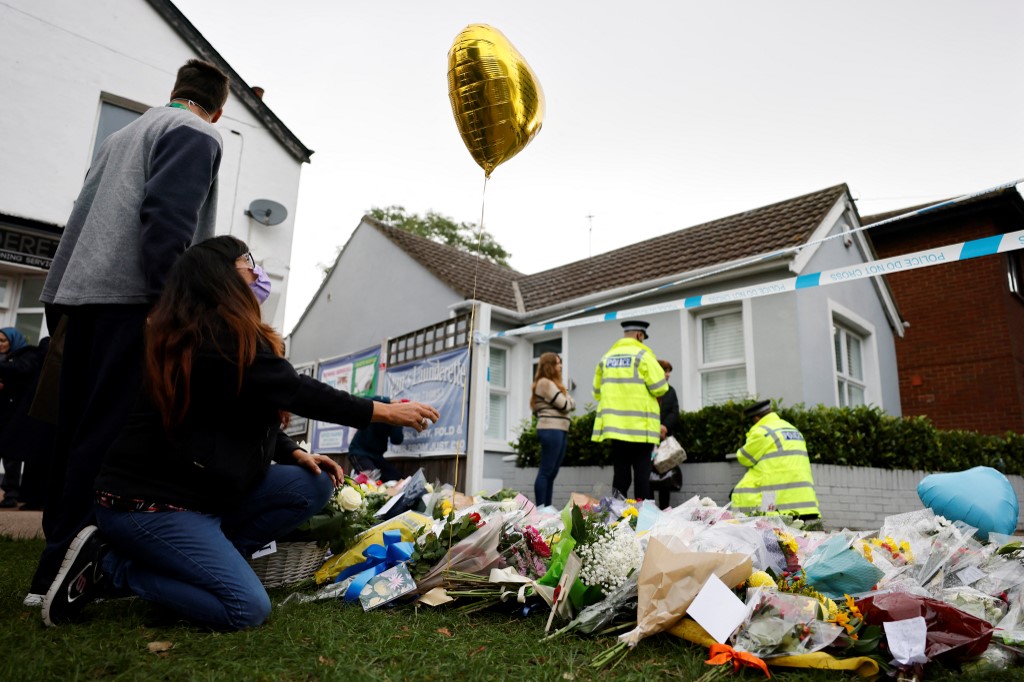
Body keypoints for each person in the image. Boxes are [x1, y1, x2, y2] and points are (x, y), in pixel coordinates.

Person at [41, 236, 439, 630]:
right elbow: (295, 391)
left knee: (310, 484)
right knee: (246, 609)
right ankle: (111, 568)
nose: (256, 269)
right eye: (248, 260)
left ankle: (201, 569)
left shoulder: (216, 334)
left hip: (203, 492)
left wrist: (291, 452)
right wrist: (384, 411)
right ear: (221, 277)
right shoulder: (214, 338)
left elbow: (248, 411)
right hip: (153, 504)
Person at [27, 59, 230, 606]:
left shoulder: (123, 135)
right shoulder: (196, 132)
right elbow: (166, 218)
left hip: (79, 298)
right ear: (219, 108)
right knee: (113, 441)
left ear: (175, 92)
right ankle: (70, 573)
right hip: (132, 303)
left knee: (74, 435)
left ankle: (52, 566)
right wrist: (169, 305)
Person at [591, 320, 667, 500]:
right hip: (641, 428)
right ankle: (643, 519)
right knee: (642, 475)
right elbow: (660, 388)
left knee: (621, 475)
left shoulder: (605, 359)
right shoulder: (643, 356)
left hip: (615, 429)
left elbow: (596, 392)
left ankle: (617, 517)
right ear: (640, 335)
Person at [730, 400, 820, 519]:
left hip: (776, 500)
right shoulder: (793, 429)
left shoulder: (762, 432)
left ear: (757, 418)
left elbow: (744, 458)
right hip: (804, 501)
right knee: (796, 537)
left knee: (771, 534)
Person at [0, 328, 39, 508]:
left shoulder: (27, 355)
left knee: (11, 456)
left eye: (3, 340)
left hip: (16, 415)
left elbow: (20, 370)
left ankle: (12, 493)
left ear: (13, 341)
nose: (0, 345)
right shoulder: (5, 359)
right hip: (3, 412)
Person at [531, 352, 575, 507]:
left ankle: (547, 507)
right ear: (549, 366)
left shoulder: (552, 384)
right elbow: (565, 405)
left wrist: (567, 399)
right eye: (557, 363)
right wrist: (568, 399)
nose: (560, 366)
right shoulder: (545, 383)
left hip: (559, 430)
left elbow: (567, 403)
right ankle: (542, 508)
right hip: (551, 430)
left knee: (552, 472)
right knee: (546, 470)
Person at [649, 359, 682, 509]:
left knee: (665, 475)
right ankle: (648, 510)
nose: (667, 375)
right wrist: (655, 427)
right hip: (648, 440)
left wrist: (665, 427)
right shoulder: (647, 389)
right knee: (646, 477)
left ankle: (664, 510)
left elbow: (674, 412)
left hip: (664, 442)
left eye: (669, 371)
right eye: (665, 370)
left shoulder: (670, 391)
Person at [348, 396, 405, 482]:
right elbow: (366, 400)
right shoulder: (381, 406)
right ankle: (357, 478)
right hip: (359, 452)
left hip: (377, 457)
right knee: (372, 478)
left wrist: (399, 421)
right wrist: (389, 402)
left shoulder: (395, 420)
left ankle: (358, 475)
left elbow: (396, 440)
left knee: (399, 479)